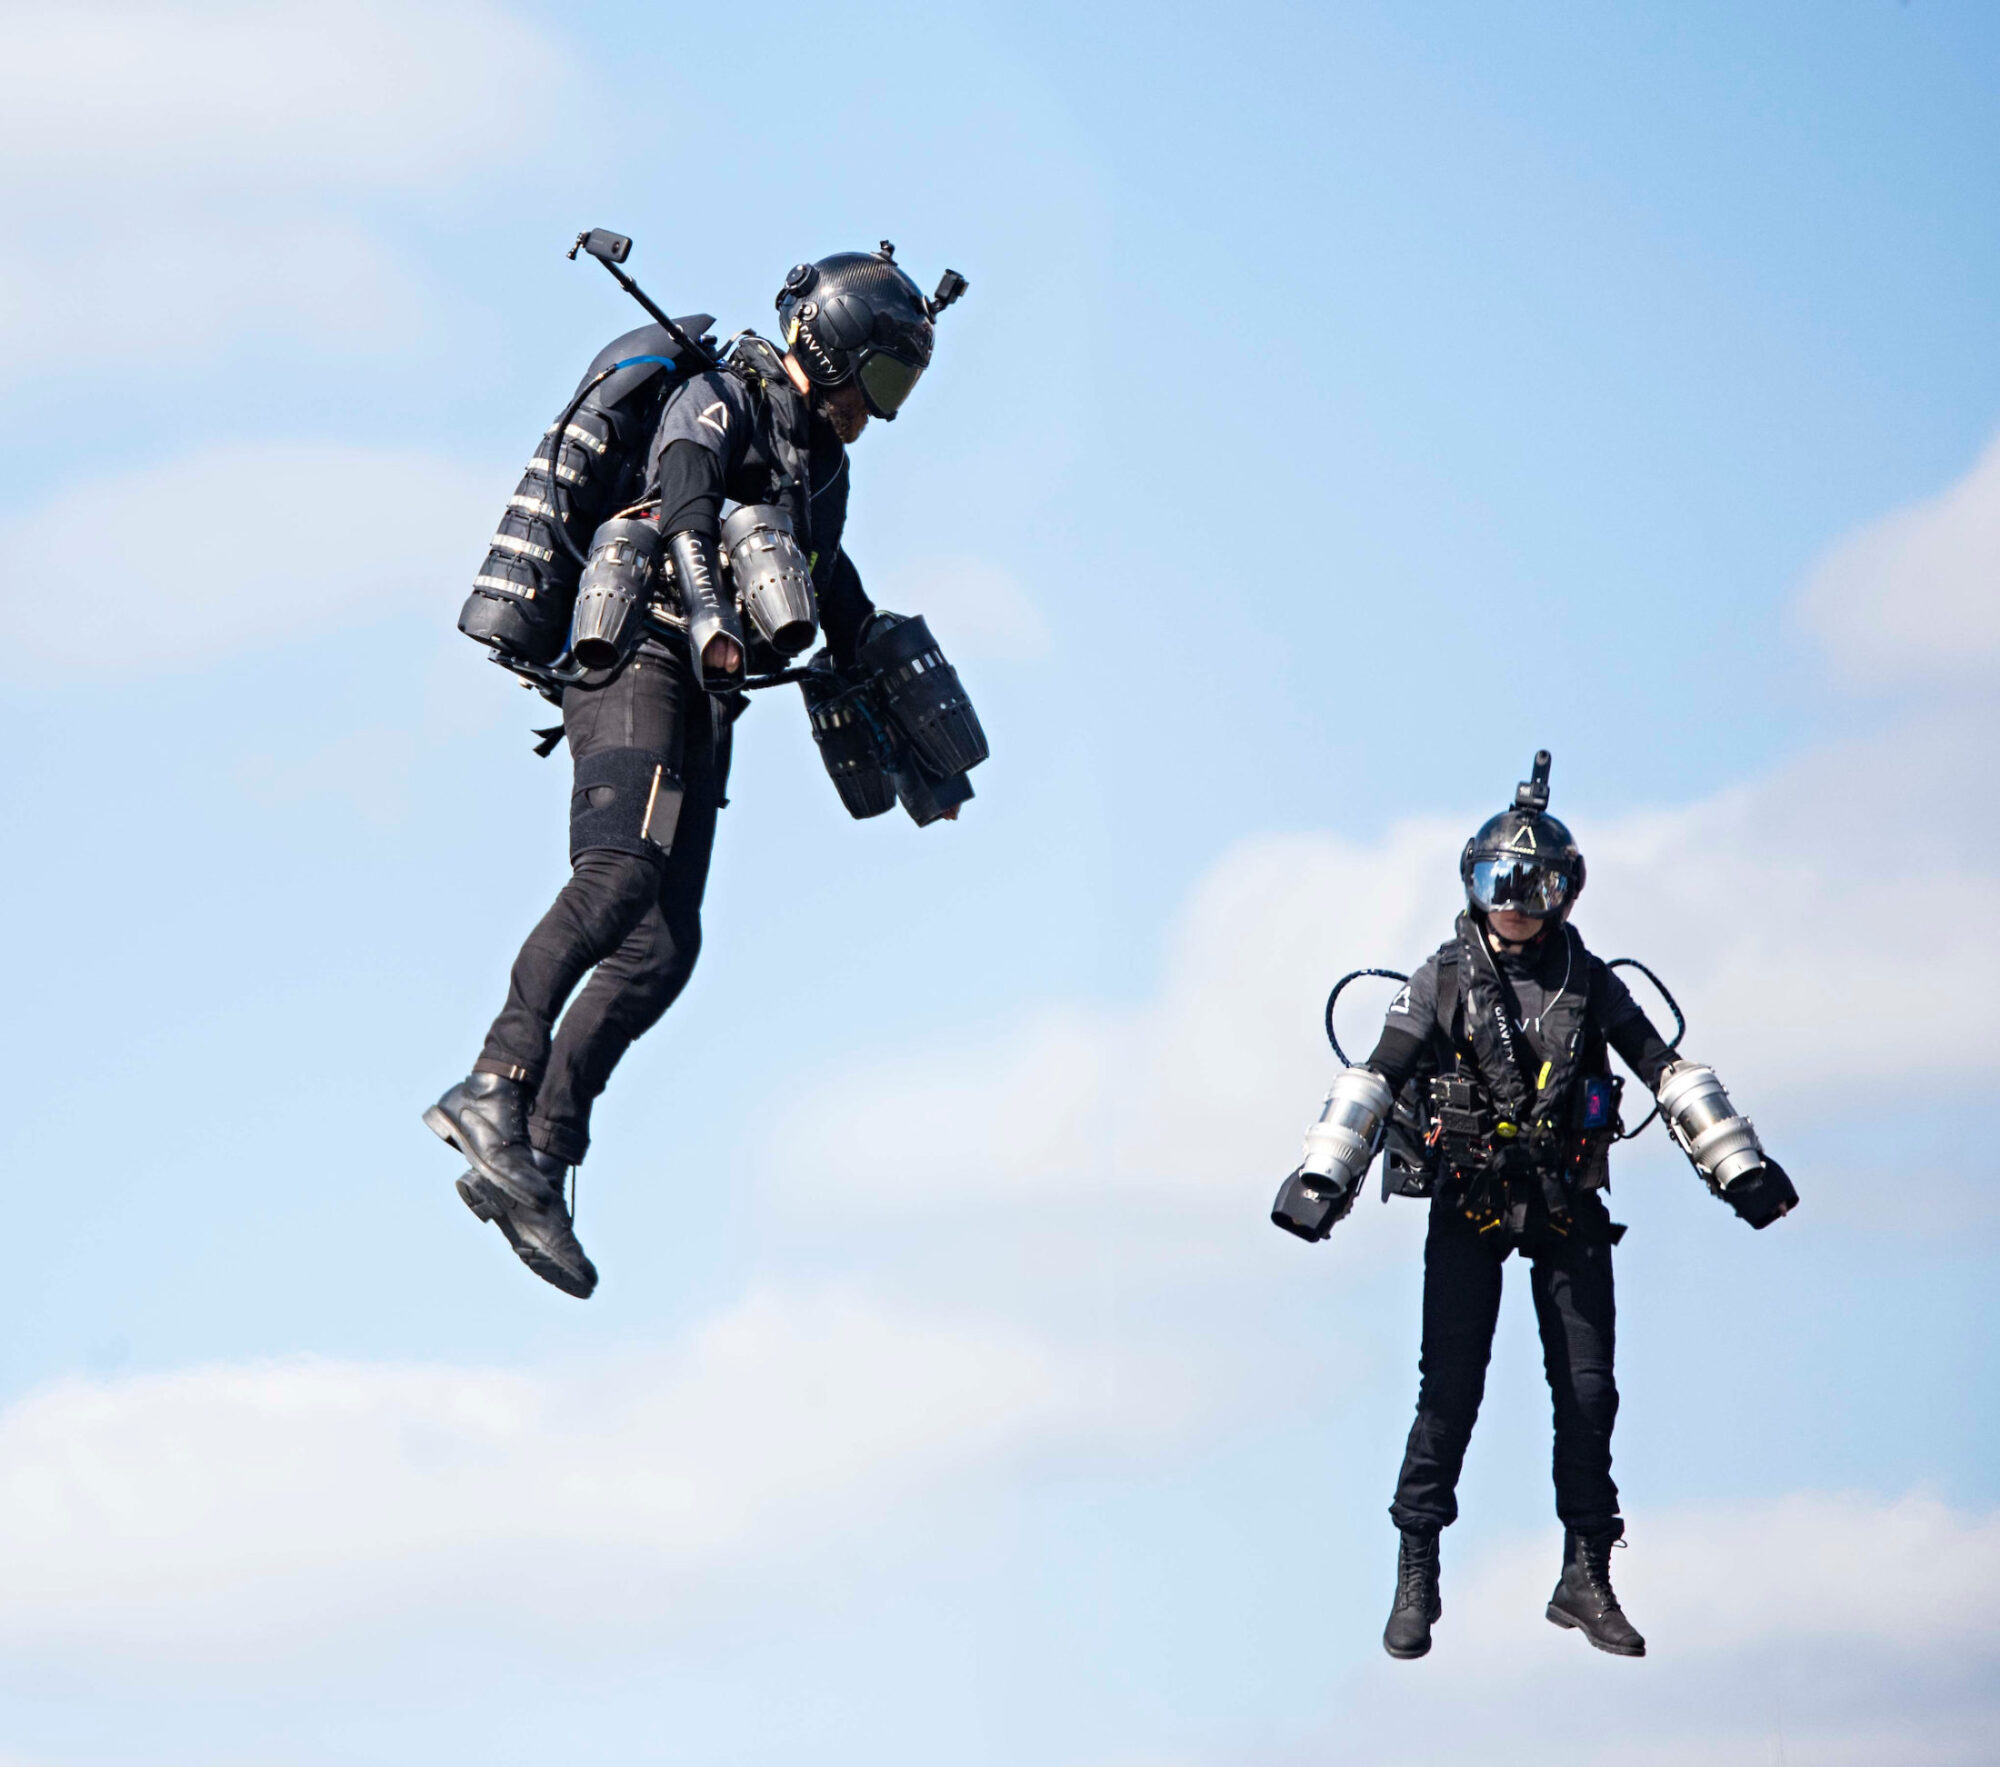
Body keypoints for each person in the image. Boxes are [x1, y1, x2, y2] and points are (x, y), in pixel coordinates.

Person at [427, 245, 967, 1299]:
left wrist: (924, 765)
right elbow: (683, 500)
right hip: (637, 653)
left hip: (705, 691)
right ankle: (491, 1084)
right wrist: (712, 617)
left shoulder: (823, 468)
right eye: (882, 376)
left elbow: (833, 594)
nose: (883, 406)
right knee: (617, 878)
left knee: (663, 947)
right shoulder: (720, 397)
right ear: (833, 347)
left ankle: (539, 1157)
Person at [1275, 752, 1797, 1660]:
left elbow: (1665, 1068)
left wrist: (1740, 1167)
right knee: (1450, 1394)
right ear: (1472, 882)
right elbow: (1377, 1073)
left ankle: (1585, 1573)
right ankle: (1417, 1568)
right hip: (1468, 1204)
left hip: (1566, 1206)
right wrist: (1322, 1177)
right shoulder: (1440, 978)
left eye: (1533, 884)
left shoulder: (1589, 981)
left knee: (1589, 1393)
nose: (1513, 901)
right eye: (1497, 881)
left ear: (1564, 892)